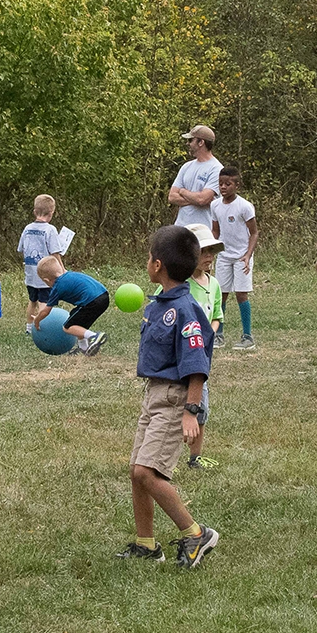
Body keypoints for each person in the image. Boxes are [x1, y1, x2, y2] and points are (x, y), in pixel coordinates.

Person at [116, 225, 220, 568]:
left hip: (176, 398)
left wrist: (191, 409)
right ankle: (146, 544)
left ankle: (195, 533)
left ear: (157, 265)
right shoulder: (161, 303)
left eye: (149, 256)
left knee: (149, 472)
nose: (147, 261)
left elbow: (197, 364)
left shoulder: (186, 310)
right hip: (155, 395)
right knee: (136, 470)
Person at [183, 224, 223, 469]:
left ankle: (194, 457)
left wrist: (209, 333)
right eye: (203, 251)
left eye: (212, 251)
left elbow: (217, 315)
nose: (209, 256)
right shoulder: (179, 284)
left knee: (200, 405)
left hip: (202, 355)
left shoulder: (214, 284)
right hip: (181, 355)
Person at [210, 166, 257, 350]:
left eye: (228, 184)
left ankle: (247, 336)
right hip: (223, 255)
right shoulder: (215, 205)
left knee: (241, 294)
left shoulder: (244, 206)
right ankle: (218, 335)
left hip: (241, 256)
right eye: (221, 183)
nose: (223, 187)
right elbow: (215, 231)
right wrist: (211, 253)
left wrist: (247, 255)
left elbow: (254, 233)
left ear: (236, 185)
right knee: (220, 294)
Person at [31, 254, 110, 356]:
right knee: (75, 317)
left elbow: (46, 311)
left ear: (46, 280)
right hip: (104, 296)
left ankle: (94, 336)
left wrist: (37, 321)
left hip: (92, 301)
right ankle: (84, 348)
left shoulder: (57, 287)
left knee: (67, 327)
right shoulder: (70, 274)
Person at [17, 194, 63, 322]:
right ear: (51, 213)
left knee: (32, 301)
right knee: (45, 301)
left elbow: (21, 249)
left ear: (34, 212)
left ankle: (29, 327)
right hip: (46, 274)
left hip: (30, 274)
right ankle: (42, 328)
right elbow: (55, 253)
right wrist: (62, 270)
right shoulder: (50, 230)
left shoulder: (27, 229)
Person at [167, 125, 223, 229]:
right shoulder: (186, 167)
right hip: (181, 229)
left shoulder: (216, 169)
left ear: (201, 142)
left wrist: (183, 191)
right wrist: (196, 200)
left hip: (203, 231)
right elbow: (172, 197)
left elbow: (202, 199)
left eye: (191, 140)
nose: (187, 143)